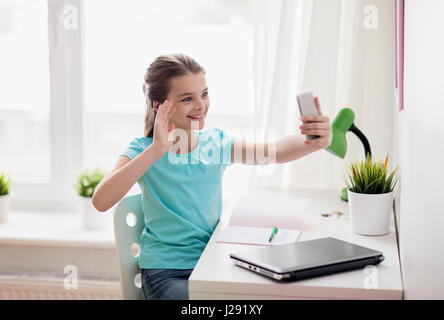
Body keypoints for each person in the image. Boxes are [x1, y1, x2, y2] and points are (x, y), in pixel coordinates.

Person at [91, 53, 332, 300]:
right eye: (187, 99)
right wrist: (156, 151)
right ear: (158, 105)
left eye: (204, 94)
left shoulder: (216, 144)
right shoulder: (143, 150)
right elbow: (101, 200)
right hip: (166, 272)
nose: (200, 106)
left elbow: (276, 152)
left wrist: (313, 141)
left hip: (213, 265)